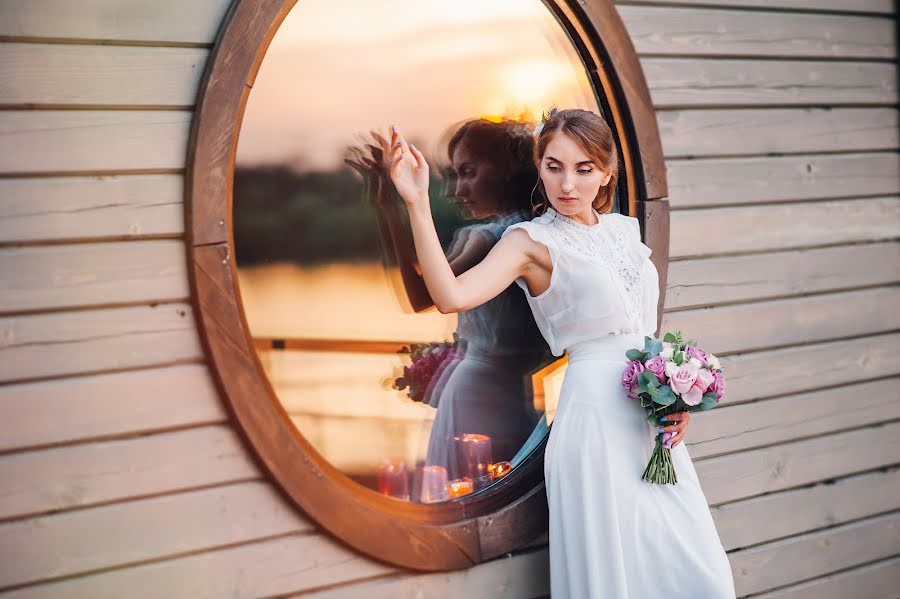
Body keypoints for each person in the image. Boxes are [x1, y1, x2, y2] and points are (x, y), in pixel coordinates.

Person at [384, 108, 737, 597]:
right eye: (553, 167)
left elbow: (642, 327)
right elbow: (449, 296)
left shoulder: (622, 231)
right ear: (539, 167)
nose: (567, 183)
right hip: (594, 421)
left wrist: (676, 395)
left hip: (650, 425)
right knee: (617, 577)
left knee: (700, 576)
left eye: (583, 169)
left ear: (606, 172)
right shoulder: (530, 242)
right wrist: (417, 203)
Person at [346, 119, 552, 491]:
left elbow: (423, 297)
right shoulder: (540, 234)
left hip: (476, 392)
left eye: (468, 173)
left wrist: (390, 207)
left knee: (465, 487)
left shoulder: (486, 238)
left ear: (507, 169)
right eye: (455, 175)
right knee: (506, 485)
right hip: (518, 392)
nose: (457, 190)